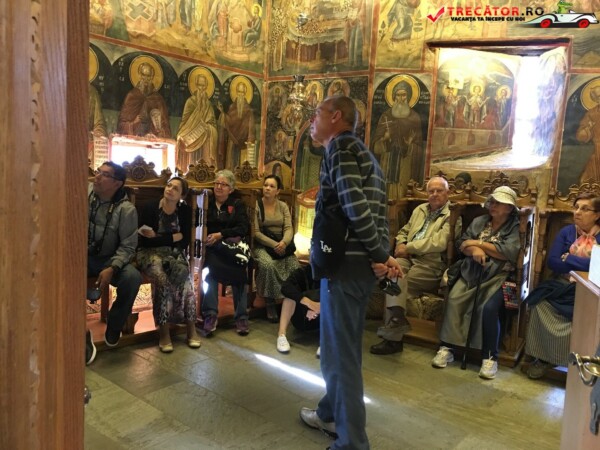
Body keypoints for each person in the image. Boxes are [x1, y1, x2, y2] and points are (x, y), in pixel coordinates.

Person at [299, 95, 401, 449]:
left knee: (340, 357)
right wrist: (381, 254)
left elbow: (354, 206)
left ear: (336, 116)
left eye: (317, 114)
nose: (312, 121)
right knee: (336, 351)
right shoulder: (364, 154)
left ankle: (352, 443)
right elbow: (377, 211)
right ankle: (329, 412)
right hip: (357, 265)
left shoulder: (341, 148)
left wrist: (380, 254)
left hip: (345, 266)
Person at [432, 186, 521, 380]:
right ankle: (447, 347)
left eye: (499, 203)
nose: (493, 205)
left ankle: (490, 357)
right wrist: (474, 250)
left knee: (487, 308)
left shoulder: (515, 226)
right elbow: (462, 244)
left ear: (509, 208)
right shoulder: (480, 221)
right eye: (493, 202)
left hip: (500, 278)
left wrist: (478, 244)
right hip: (471, 272)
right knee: (455, 298)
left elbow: (508, 252)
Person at [370, 176, 461, 355]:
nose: (434, 194)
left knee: (397, 283)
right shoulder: (420, 209)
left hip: (431, 264)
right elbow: (404, 230)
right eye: (431, 191)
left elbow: (440, 242)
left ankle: (392, 339)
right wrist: (400, 244)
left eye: (439, 191)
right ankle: (398, 324)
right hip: (407, 257)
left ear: (447, 193)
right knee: (390, 273)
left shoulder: (452, 214)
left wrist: (409, 247)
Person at [524, 193, 600, 379]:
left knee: (587, 317)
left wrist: (570, 259)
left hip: (592, 289)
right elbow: (553, 262)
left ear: (597, 215)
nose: (578, 212)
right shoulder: (567, 232)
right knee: (539, 304)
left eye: (585, 209)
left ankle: (580, 363)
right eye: (576, 207)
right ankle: (544, 358)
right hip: (563, 284)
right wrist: (586, 264)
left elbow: (598, 268)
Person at [136, 176, 201, 353]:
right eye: (169, 185)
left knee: (186, 280)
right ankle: (164, 332)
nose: (170, 189)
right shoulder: (150, 207)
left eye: (175, 188)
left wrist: (160, 237)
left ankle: (191, 328)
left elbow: (184, 240)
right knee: (162, 280)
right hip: (149, 253)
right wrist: (172, 237)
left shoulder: (184, 210)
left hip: (173, 253)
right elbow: (145, 240)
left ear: (182, 195)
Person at [88, 162, 142, 346]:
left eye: (104, 174)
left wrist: (112, 267)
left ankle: (115, 323)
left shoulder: (126, 209)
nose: (97, 176)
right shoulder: (86, 193)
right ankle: (75, 330)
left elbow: (128, 246)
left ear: (117, 183)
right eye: (98, 171)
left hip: (110, 259)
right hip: (83, 257)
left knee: (132, 278)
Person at [201, 169, 251, 336]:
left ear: (231, 189)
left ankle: (241, 317)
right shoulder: (207, 202)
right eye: (217, 183)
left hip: (232, 247)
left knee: (240, 270)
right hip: (213, 248)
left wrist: (221, 234)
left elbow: (243, 228)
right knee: (211, 271)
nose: (219, 187)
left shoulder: (237, 204)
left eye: (224, 184)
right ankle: (210, 315)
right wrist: (212, 237)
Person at [253, 175, 300, 323]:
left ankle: (291, 301)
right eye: (265, 185)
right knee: (268, 265)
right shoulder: (256, 205)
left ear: (278, 191)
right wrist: (274, 245)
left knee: (295, 266)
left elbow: (288, 228)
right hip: (263, 245)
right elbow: (256, 233)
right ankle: (270, 302)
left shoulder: (283, 206)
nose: (267, 188)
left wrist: (284, 243)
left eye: (272, 186)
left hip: (282, 245)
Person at [372, 80, 423, 197]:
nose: (401, 98)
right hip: (387, 159)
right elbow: (374, 145)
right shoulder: (386, 116)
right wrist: (384, 139)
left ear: (408, 96)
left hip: (405, 161)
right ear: (394, 97)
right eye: (398, 95)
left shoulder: (414, 117)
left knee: (402, 190)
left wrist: (410, 145)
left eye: (404, 95)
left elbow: (419, 147)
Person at [117, 61, 171, 138]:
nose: (145, 79)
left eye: (148, 76)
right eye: (143, 75)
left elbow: (165, 127)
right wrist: (134, 123)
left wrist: (157, 131)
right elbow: (121, 126)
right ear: (139, 75)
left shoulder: (157, 99)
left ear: (152, 77)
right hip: (134, 140)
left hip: (152, 140)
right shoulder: (132, 96)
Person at [276, 263, 321, 353]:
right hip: (302, 318)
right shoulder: (303, 272)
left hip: (322, 320)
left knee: (335, 300)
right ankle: (281, 335)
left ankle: (326, 342)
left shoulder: (332, 275)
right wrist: (309, 304)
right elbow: (285, 287)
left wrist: (319, 308)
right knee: (289, 298)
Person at [177, 73, 218, 169]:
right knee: (190, 166)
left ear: (206, 86)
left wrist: (208, 128)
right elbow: (184, 122)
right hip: (191, 139)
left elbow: (213, 125)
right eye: (199, 85)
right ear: (196, 85)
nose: (201, 88)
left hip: (205, 141)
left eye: (203, 85)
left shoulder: (208, 105)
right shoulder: (190, 102)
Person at [219, 80, 256, 168]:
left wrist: (250, 138)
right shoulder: (232, 107)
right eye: (239, 92)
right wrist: (223, 114)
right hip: (233, 139)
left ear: (245, 93)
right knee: (231, 161)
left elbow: (251, 126)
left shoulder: (248, 110)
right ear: (236, 92)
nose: (240, 94)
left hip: (244, 140)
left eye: (242, 92)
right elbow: (229, 121)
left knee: (242, 163)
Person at [576, 84, 600, 182]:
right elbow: (580, 136)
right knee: (585, 180)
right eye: (599, 96)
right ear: (596, 100)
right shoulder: (591, 114)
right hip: (597, 151)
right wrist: (588, 128)